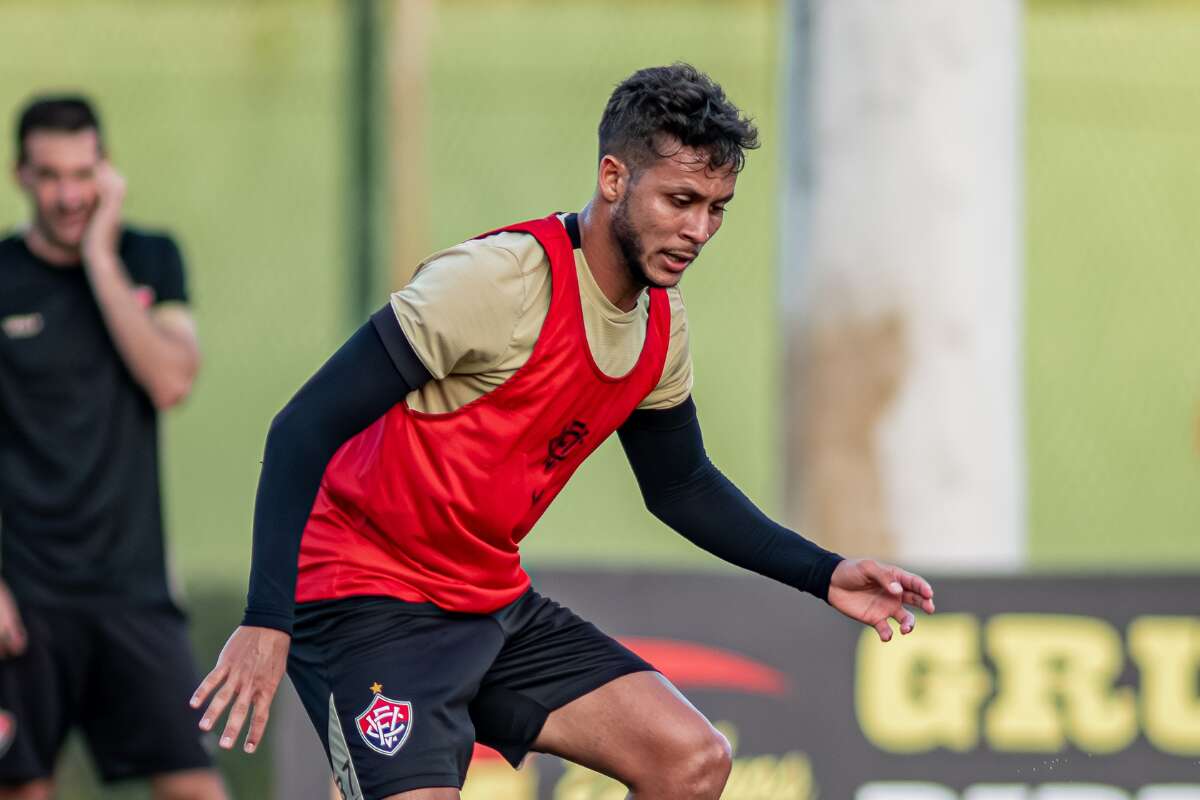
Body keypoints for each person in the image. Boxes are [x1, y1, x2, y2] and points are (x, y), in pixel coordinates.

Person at [193, 64, 936, 800]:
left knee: (692, 760)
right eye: (680, 199)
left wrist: (823, 571)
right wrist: (267, 621)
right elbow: (300, 430)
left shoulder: (660, 326)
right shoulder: (498, 283)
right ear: (614, 178)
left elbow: (681, 486)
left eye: (717, 207)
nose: (698, 230)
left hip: (488, 601)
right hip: (363, 599)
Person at [0, 96, 227, 800]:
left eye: (82, 172)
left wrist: (100, 257)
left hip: (133, 592)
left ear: (105, 171)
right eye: (50, 175)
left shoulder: (148, 256)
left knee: (195, 785)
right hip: (25, 595)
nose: (69, 194)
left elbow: (169, 379)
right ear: (21, 176)